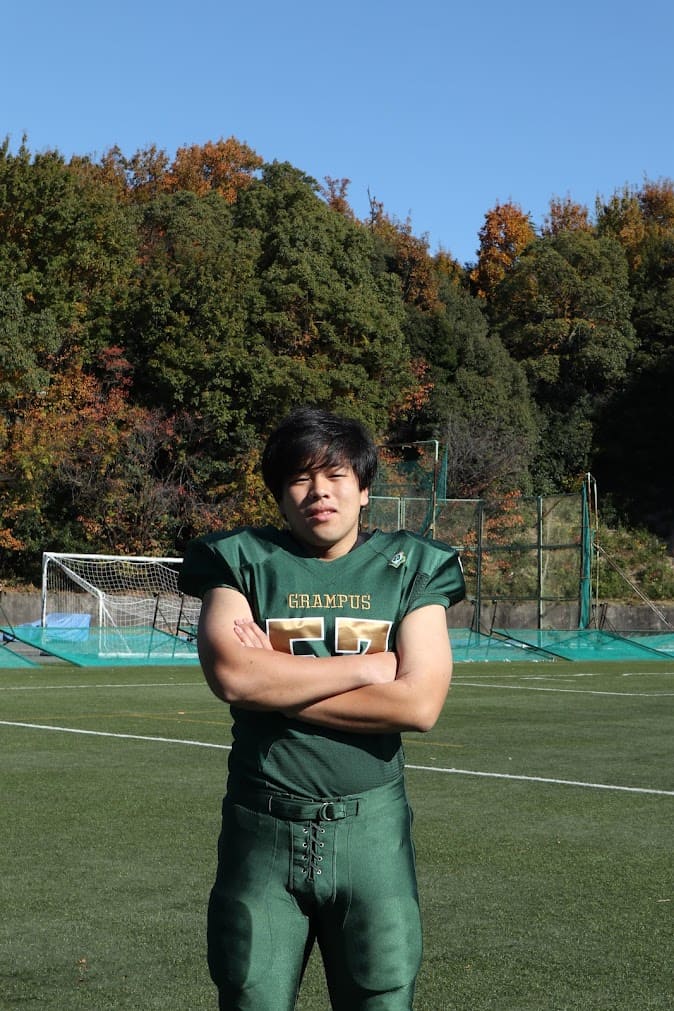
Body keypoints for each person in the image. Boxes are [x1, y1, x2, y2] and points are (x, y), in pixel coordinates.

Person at [178, 407, 465, 1011]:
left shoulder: (414, 567)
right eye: (299, 479)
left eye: (335, 476)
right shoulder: (238, 559)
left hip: (372, 833)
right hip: (262, 829)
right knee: (250, 996)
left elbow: (418, 703)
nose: (319, 492)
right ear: (279, 495)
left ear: (364, 490)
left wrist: (277, 683)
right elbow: (233, 676)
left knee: (382, 998)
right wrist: (365, 668)